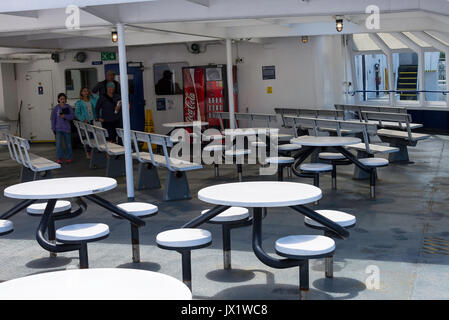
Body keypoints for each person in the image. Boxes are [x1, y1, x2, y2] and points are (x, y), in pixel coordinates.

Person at [75, 87, 99, 158]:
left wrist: (93, 94)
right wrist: (83, 119)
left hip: (92, 120)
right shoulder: (79, 102)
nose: (86, 93)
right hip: (85, 122)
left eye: (87, 91)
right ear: (81, 93)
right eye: (84, 91)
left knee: (92, 136)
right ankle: (88, 152)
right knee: (88, 137)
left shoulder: (92, 100)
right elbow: (77, 113)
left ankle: (93, 151)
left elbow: (98, 98)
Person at [51, 93, 74, 164]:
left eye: (64, 99)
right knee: (58, 144)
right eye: (61, 99)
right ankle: (59, 158)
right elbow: (53, 119)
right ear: (58, 100)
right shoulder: (56, 108)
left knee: (68, 144)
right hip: (58, 129)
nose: (62, 100)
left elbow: (72, 116)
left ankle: (69, 158)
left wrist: (65, 116)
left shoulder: (69, 107)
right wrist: (53, 128)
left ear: (65, 100)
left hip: (67, 129)